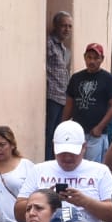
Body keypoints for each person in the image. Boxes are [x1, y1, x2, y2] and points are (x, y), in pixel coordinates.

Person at [14, 120, 112, 222]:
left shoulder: (100, 171)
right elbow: (18, 213)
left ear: (84, 147)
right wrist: (46, 199)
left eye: (72, 153)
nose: (67, 158)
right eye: (62, 153)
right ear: (54, 146)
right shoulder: (39, 170)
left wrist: (85, 202)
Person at [62, 43, 112, 163]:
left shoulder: (108, 79)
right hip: (76, 133)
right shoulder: (76, 78)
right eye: (89, 57)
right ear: (84, 57)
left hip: (96, 135)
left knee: (93, 168)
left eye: (96, 58)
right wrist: (63, 126)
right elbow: (69, 104)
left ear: (102, 59)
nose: (92, 61)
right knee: (74, 164)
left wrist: (100, 127)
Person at [46, 11, 74, 160]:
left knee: (58, 135)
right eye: (64, 26)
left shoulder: (64, 49)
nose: (67, 29)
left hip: (63, 98)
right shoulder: (49, 44)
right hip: (52, 96)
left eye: (69, 26)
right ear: (55, 25)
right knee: (49, 134)